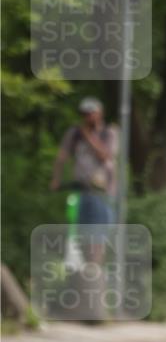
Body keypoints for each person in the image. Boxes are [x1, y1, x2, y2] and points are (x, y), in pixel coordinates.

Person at [50, 97, 119, 266]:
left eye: (91, 114)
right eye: (84, 114)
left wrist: (88, 136)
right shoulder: (75, 133)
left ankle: (95, 274)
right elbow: (62, 157)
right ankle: (88, 273)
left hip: (102, 192)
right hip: (81, 191)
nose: (87, 118)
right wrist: (56, 179)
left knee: (98, 236)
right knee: (82, 235)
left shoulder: (108, 132)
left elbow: (105, 156)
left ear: (99, 113)